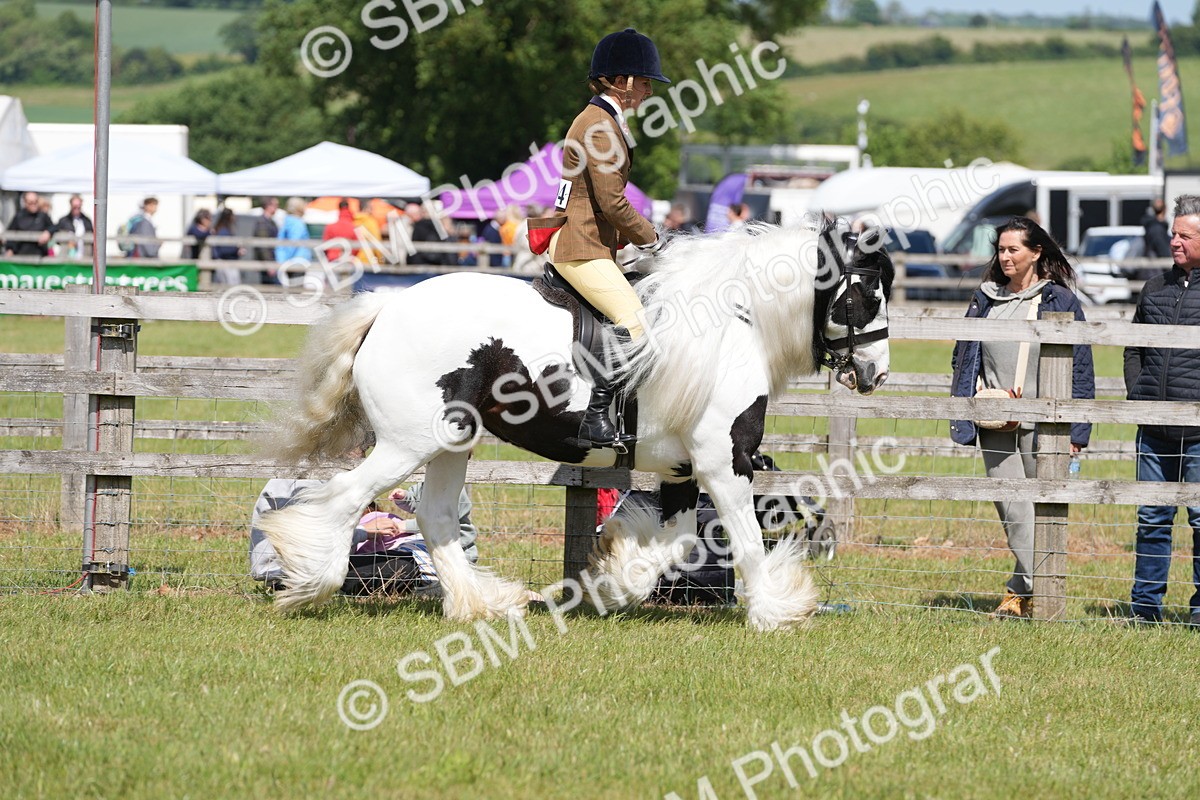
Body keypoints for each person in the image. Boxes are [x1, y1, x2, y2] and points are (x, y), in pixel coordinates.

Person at [528, 27, 670, 448]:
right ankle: (594, 415)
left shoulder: (602, 120)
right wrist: (654, 239)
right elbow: (612, 202)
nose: (648, 91)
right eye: (645, 82)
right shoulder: (600, 126)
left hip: (589, 242)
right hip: (582, 247)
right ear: (622, 80)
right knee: (637, 322)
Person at [949, 216, 1095, 619]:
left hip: (1045, 421)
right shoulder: (984, 298)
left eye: (1014, 249)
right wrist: (973, 391)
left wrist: (1077, 429)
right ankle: (1040, 590)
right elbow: (963, 353)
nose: (1006, 256)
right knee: (1012, 506)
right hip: (994, 418)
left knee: (1042, 508)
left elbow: (1080, 366)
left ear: (1036, 252)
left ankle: (1023, 592)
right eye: (1001, 249)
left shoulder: (1058, 300)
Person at [1123, 194, 1200, 627]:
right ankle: (1144, 610)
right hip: (1154, 428)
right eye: (1173, 233)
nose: (1174, 241)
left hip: (1199, 432)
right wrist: (1140, 393)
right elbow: (1133, 347)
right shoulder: (1154, 288)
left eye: (1184, 235)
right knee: (1151, 517)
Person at [249, 479, 478, 594]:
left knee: (400, 566)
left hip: (414, 554)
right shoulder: (288, 486)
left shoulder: (349, 492)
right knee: (399, 568)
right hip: (308, 560)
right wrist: (366, 532)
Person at [3, 191, 54, 257]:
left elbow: (54, 226)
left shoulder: (43, 216)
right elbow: (10, 233)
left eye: (35, 202)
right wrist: (10, 249)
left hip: (40, 257)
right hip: (21, 256)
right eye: (31, 202)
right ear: (25, 202)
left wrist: (48, 232)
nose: (34, 205)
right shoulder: (19, 216)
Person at [209, 208, 244, 284]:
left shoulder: (220, 229)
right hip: (227, 263)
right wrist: (237, 250)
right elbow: (224, 249)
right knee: (231, 287)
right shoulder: (223, 231)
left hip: (224, 262)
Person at [55, 194, 93, 260]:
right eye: (74, 207)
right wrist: (68, 241)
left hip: (84, 255)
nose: (77, 209)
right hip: (67, 255)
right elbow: (57, 240)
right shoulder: (63, 221)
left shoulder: (87, 221)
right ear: (70, 205)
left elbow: (92, 237)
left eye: (79, 207)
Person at [275, 197, 312, 264]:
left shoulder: (287, 220)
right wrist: (284, 262)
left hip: (287, 259)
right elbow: (294, 242)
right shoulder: (296, 223)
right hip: (297, 260)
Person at [252, 197, 280, 283]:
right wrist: (268, 264)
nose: (277, 208)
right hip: (267, 262)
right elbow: (263, 245)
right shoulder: (262, 222)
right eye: (275, 205)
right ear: (268, 206)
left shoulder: (271, 221)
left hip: (271, 260)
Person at [322, 198, 358, 262]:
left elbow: (325, 244)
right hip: (349, 259)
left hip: (332, 259)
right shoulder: (354, 227)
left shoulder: (330, 227)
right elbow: (357, 247)